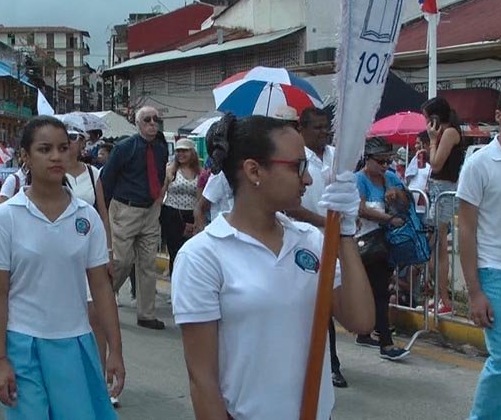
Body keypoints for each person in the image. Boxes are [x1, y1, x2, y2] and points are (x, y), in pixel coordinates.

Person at [172, 115, 374, 420]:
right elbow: (203, 381)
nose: (308, 180)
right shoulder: (203, 256)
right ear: (254, 170)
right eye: (298, 167)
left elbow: (360, 320)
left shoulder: (309, 240)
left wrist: (345, 234)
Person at [0, 117, 124, 420]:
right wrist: (1, 359)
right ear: (25, 156)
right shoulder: (6, 217)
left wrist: (116, 350)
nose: (57, 156)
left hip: (75, 342)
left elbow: (101, 287)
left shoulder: (86, 217)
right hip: (21, 344)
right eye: (45, 149)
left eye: (63, 147)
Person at [457, 84, 501, 419]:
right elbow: (466, 229)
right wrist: (475, 292)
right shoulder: (479, 163)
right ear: (499, 115)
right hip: (495, 272)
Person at [285, 107, 348, 388]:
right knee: (314, 302)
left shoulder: (336, 157)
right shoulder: (297, 160)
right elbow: (291, 206)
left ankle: (328, 362)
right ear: (303, 129)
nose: (324, 132)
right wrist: (326, 222)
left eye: (326, 127)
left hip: (334, 240)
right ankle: (326, 364)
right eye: (318, 127)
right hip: (305, 241)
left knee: (329, 303)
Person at [101, 106, 169, 330]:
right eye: (147, 119)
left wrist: (158, 199)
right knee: (121, 261)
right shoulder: (124, 147)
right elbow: (107, 179)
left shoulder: (160, 148)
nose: (152, 123)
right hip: (125, 209)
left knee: (148, 263)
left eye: (156, 119)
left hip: (150, 210)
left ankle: (146, 314)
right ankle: (99, 300)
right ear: (138, 124)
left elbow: (160, 174)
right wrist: (103, 210)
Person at [64, 125, 117, 406]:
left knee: (96, 315)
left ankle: (100, 379)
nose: (74, 143)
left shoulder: (93, 173)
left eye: (78, 138)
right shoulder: (53, 173)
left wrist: (108, 251)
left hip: (89, 253)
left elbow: (103, 214)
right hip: (62, 255)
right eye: (70, 138)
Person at [354, 137, 411, 360]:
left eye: (388, 161)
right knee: (378, 292)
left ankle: (366, 332)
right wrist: (388, 219)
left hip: (386, 244)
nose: (385, 166)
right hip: (365, 243)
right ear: (368, 160)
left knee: (377, 291)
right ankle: (385, 343)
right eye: (380, 161)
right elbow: (360, 209)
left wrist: (397, 196)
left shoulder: (391, 178)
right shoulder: (359, 180)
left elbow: (406, 203)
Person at [423, 97, 465, 314]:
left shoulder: (449, 133)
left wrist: (432, 141)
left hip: (444, 190)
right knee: (434, 245)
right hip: (438, 189)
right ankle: (439, 295)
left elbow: (437, 164)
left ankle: (444, 298)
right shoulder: (447, 133)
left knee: (439, 245)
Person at [160, 138, 199, 276]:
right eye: (178, 151)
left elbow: (200, 198)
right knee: (174, 252)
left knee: (189, 252)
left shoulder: (199, 172)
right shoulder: (171, 170)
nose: (181, 154)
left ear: (192, 152)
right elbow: (162, 192)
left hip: (191, 215)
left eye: (184, 151)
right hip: (172, 214)